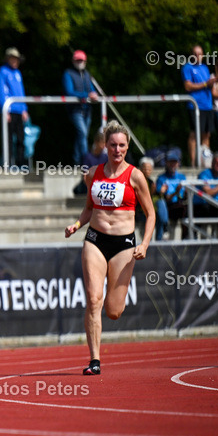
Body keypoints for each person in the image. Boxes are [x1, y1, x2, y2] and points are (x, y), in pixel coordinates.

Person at [65, 121, 155, 376]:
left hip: (124, 244)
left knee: (114, 311)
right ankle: (95, 360)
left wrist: (145, 243)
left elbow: (150, 215)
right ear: (105, 146)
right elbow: (88, 209)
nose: (117, 150)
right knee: (94, 299)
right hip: (95, 239)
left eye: (122, 146)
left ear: (127, 147)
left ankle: (109, 314)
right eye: (113, 145)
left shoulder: (135, 176)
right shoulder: (93, 173)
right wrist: (76, 225)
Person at [181, 44, 216, 166]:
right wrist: (206, 84)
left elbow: (207, 85)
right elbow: (188, 86)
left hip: (208, 105)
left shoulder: (205, 68)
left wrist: (212, 84)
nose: (197, 56)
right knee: (194, 134)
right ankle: (193, 162)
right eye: (195, 54)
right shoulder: (187, 67)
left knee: (207, 134)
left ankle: (205, 162)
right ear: (191, 55)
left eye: (200, 54)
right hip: (196, 105)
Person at [63, 50, 100, 165]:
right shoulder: (68, 74)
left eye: (81, 60)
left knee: (82, 135)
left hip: (87, 109)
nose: (80, 62)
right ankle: (86, 162)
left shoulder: (87, 74)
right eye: (77, 60)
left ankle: (77, 160)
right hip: (75, 110)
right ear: (73, 61)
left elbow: (92, 89)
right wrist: (87, 95)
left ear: (85, 61)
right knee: (82, 133)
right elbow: (69, 92)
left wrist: (94, 94)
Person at [0, 47, 29, 167]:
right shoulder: (2, 72)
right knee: (8, 139)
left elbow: (21, 92)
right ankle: (7, 163)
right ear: (8, 59)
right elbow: (1, 92)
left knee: (21, 138)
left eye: (17, 59)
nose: (15, 61)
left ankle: (21, 163)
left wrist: (25, 109)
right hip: (9, 109)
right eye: (13, 59)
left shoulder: (17, 73)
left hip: (20, 110)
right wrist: (4, 109)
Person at [194, 153, 218, 238]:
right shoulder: (204, 174)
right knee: (217, 206)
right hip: (201, 205)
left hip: (214, 206)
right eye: (216, 162)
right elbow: (208, 193)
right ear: (212, 163)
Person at [155, 152, 188, 239]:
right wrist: (176, 192)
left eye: (175, 162)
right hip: (168, 206)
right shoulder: (161, 178)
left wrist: (187, 192)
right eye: (171, 162)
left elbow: (185, 195)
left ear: (178, 163)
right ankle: (165, 230)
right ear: (166, 163)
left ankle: (186, 238)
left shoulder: (182, 177)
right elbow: (164, 198)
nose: (173, 165)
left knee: (189, 209)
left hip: (180, 204)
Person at [137, 156, 168, 241]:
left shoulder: (151, 182)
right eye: (145, 168)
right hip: (140, 211)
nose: (147, 171)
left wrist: (159, 192)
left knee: (161, 205)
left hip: (151, 210)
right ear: (140, 168)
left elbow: (153, 197)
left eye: (149, 169)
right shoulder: (137, 181)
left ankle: (160, 238)